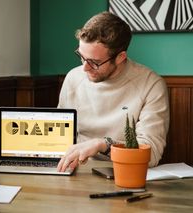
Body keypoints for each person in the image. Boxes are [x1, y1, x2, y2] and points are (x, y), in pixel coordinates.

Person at [57, 11, 169, 172]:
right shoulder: (73, 78)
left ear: (120, 57)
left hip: (123, 172)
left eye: (94, 62)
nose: (84, 68)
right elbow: (61, 138)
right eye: (81, 56)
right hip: (76, 171)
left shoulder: (151, 84)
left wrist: (103, 145)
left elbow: (151, 153)